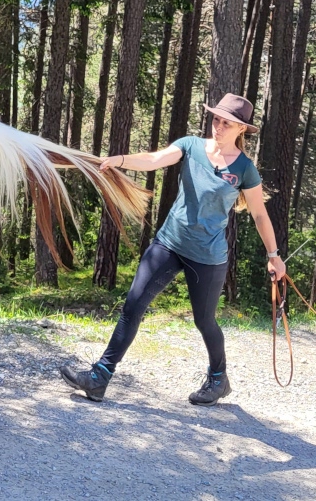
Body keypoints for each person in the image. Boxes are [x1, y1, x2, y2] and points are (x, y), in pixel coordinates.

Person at [60, 94, 286, 406]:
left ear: (241, 129)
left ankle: (218, 379)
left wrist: (274, 257)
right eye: (216, 119)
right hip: (169, 243)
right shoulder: (191, 146)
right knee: (132, 307)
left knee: (204, 321)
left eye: (226, 122)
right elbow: (154, 159)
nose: (218, 126)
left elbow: (260, 215)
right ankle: (100, 377)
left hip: (208, 256)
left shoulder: (245, 169)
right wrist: (119, 160)